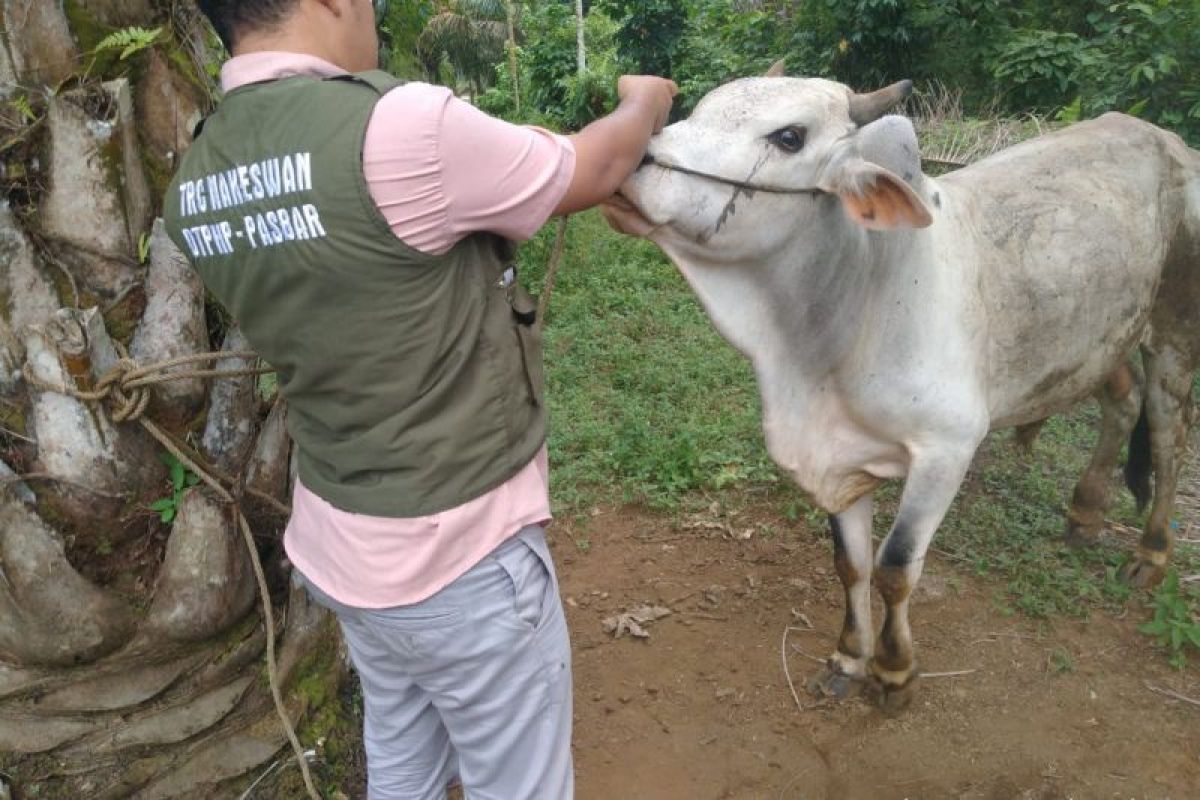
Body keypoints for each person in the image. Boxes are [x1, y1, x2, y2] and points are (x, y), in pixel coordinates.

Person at [163, 0, 675, 797]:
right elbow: (596, 168)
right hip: (461, 556)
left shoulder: (195, 180)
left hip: (341, 543)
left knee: (403, 755)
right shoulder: (400, 130)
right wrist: (645, 101)